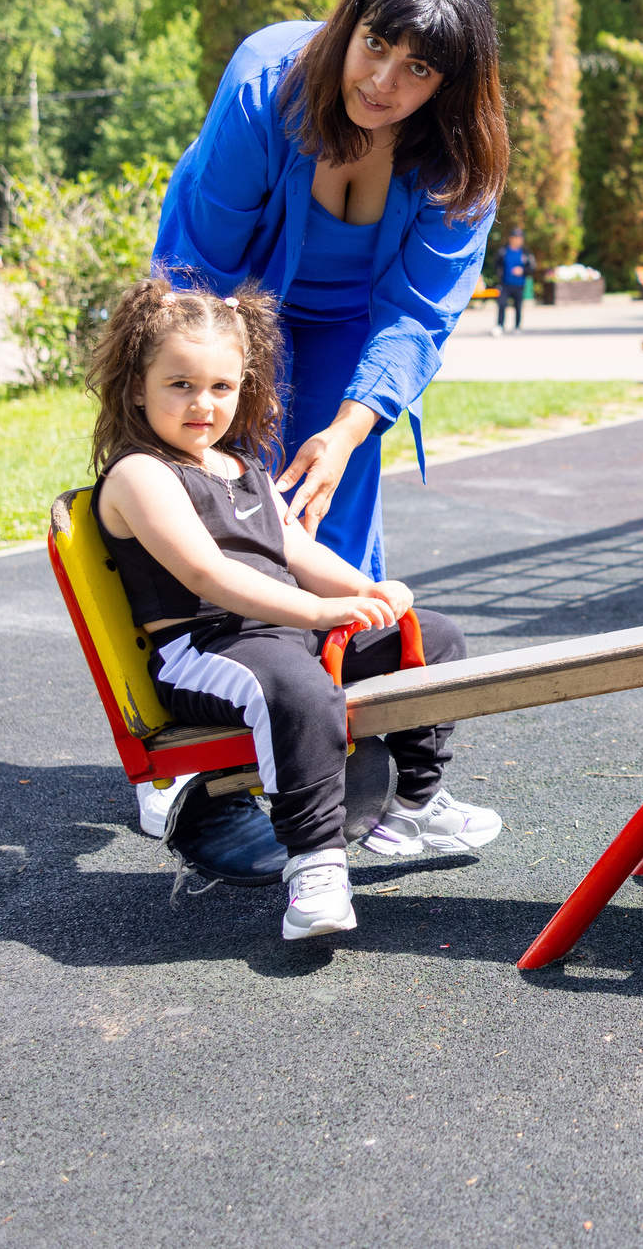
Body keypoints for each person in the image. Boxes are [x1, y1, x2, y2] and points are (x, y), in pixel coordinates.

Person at [86, 274, 501, 941]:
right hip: (208, 651)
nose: (203, 404)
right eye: (181, 385)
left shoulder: (241, 466)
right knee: (299, 689)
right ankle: (315, 865)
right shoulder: (142, 473)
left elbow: (301, 552)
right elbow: (207, 572)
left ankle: (412, 803)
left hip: (283, 639)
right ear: (139, 386)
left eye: (221, 387)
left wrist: (364, 594)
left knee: (436, 639)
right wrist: (316, 615)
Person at [153, 0, 508, 580]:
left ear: (446, 88)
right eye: (373, 44)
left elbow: (419, 316)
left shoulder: (462, 163)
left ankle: (343, 654)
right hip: (239, 300)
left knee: (325, 497)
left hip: (354, 321)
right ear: (349, 25)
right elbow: (204, 268)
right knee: (235, 487)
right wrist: (198, 387)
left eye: (416, 68)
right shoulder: (262, 85)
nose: (381, 81)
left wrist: (346, 430)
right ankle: (232, 649)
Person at [495, 229, 535, 334]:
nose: (517, 240)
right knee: (502, 304)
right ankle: (500, 326)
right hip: (505, 283)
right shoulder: (503, 251)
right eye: (515, 238)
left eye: (520, 238)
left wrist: (522, 271)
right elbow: (497, 265)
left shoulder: (525, 253)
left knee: (518, 306)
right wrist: (498, 278)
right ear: (510, 239)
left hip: (519, 284)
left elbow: (532, 267)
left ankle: (517, 327)